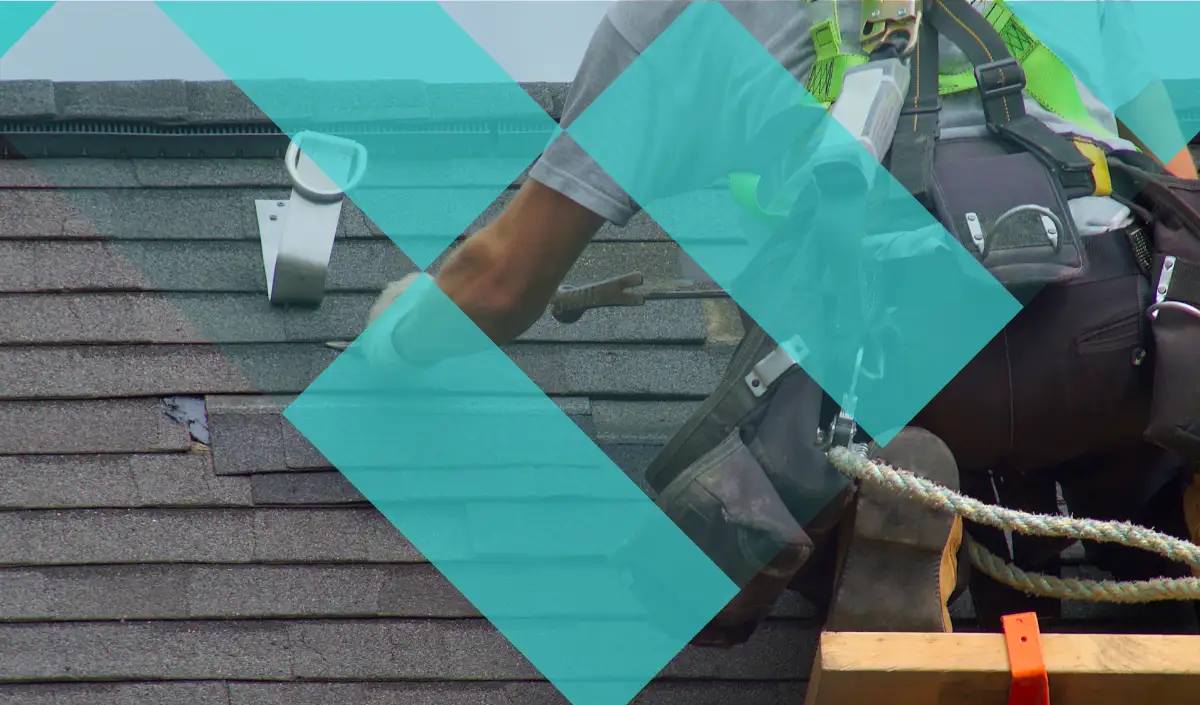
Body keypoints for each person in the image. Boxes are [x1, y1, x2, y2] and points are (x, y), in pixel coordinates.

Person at [364, 0, 1200, 643]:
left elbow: (504, 281)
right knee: (1155, 363)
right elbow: (1180, 192)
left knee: (783, 443)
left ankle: (888, 522)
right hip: (1125, 338)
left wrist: (396, 335)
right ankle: (1167, 508)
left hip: (903, 371)